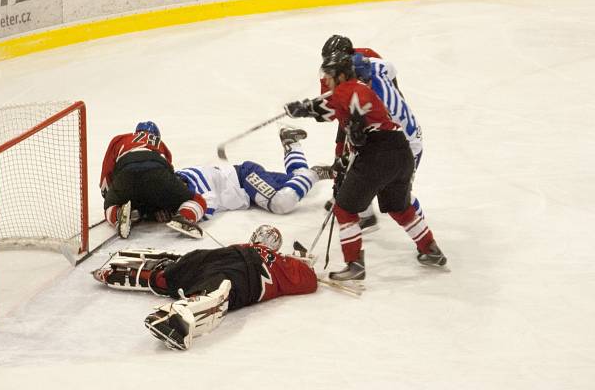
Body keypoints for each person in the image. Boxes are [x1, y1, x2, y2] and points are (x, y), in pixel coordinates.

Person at [284, 52, 447, 281]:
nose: (326, 80)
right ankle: (430, 249)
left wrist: (307, 109)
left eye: (329, 75)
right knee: (399, 207)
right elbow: (330, 110)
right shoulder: (354, 89)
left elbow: (346, 108)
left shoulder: (348, 89)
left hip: (378, 154)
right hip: (401, 153)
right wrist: (304, 109)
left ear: (341, 75)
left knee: (345, 208)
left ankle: (355, 266)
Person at [91, 224, 318, 350]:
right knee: (213, 281)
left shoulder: (260, 252)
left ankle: (158, 280)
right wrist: (302, 262)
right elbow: (309, 280)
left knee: (195, 269)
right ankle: (178, 308)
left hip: (228, 261)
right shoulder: (282, 263)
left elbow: (308, 279)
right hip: (243, 270)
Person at [101, 123, 331, 239]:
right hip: (240, 187)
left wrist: (111, 198)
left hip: (242, 178)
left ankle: (316, 172)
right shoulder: (166, 169)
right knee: (296, 183)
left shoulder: (187, 182)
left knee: (282, 202)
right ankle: (293, 145)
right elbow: (164, 172)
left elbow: (204, 203)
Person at [319, 35, 425, 235]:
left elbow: (356, 129)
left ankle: (422, 233)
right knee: (360, 163)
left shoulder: (369, 99)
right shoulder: (372, 63)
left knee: (399, 194)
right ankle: (364, 212)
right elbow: (390, 71)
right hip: (393, 131)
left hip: (404, 143)